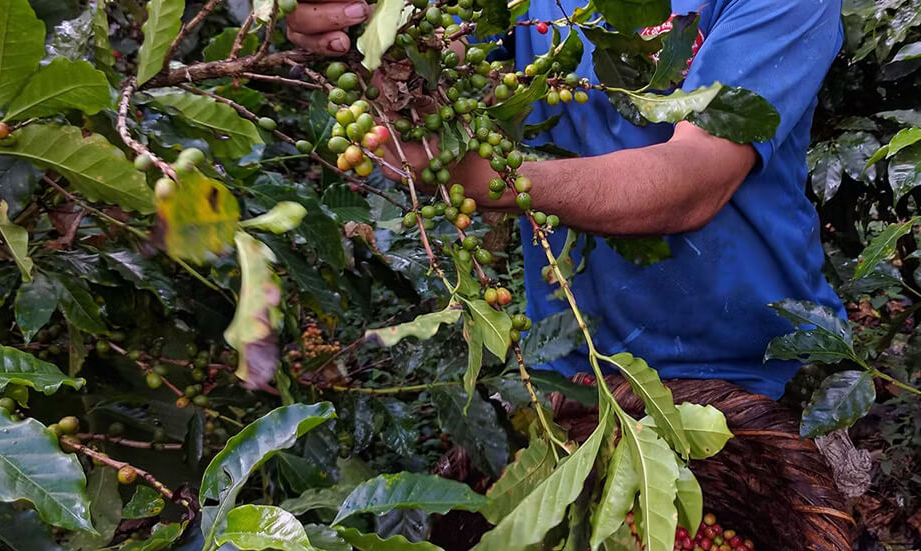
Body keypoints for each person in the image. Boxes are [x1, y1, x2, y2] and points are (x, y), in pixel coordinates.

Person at [288, 0, 844, 398]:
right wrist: (365, 29)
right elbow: (441, 60)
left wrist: (489, 179)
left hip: (758, 367)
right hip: (577, 363)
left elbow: (694, 180)